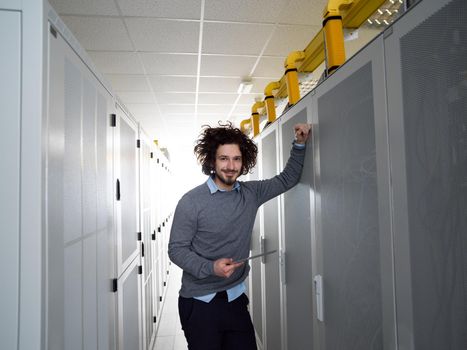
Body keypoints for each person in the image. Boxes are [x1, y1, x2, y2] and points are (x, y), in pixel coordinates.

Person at [168, 121, 311, 350]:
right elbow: (176, 249)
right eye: (224, 158)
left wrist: (300, 144)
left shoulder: (251, 194)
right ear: (212, 161)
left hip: (235, 301)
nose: (231, 165)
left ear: (243, 162)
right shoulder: (191, 202)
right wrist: (211, 267)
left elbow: (287, 179)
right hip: (199, 303)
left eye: (236, 159)